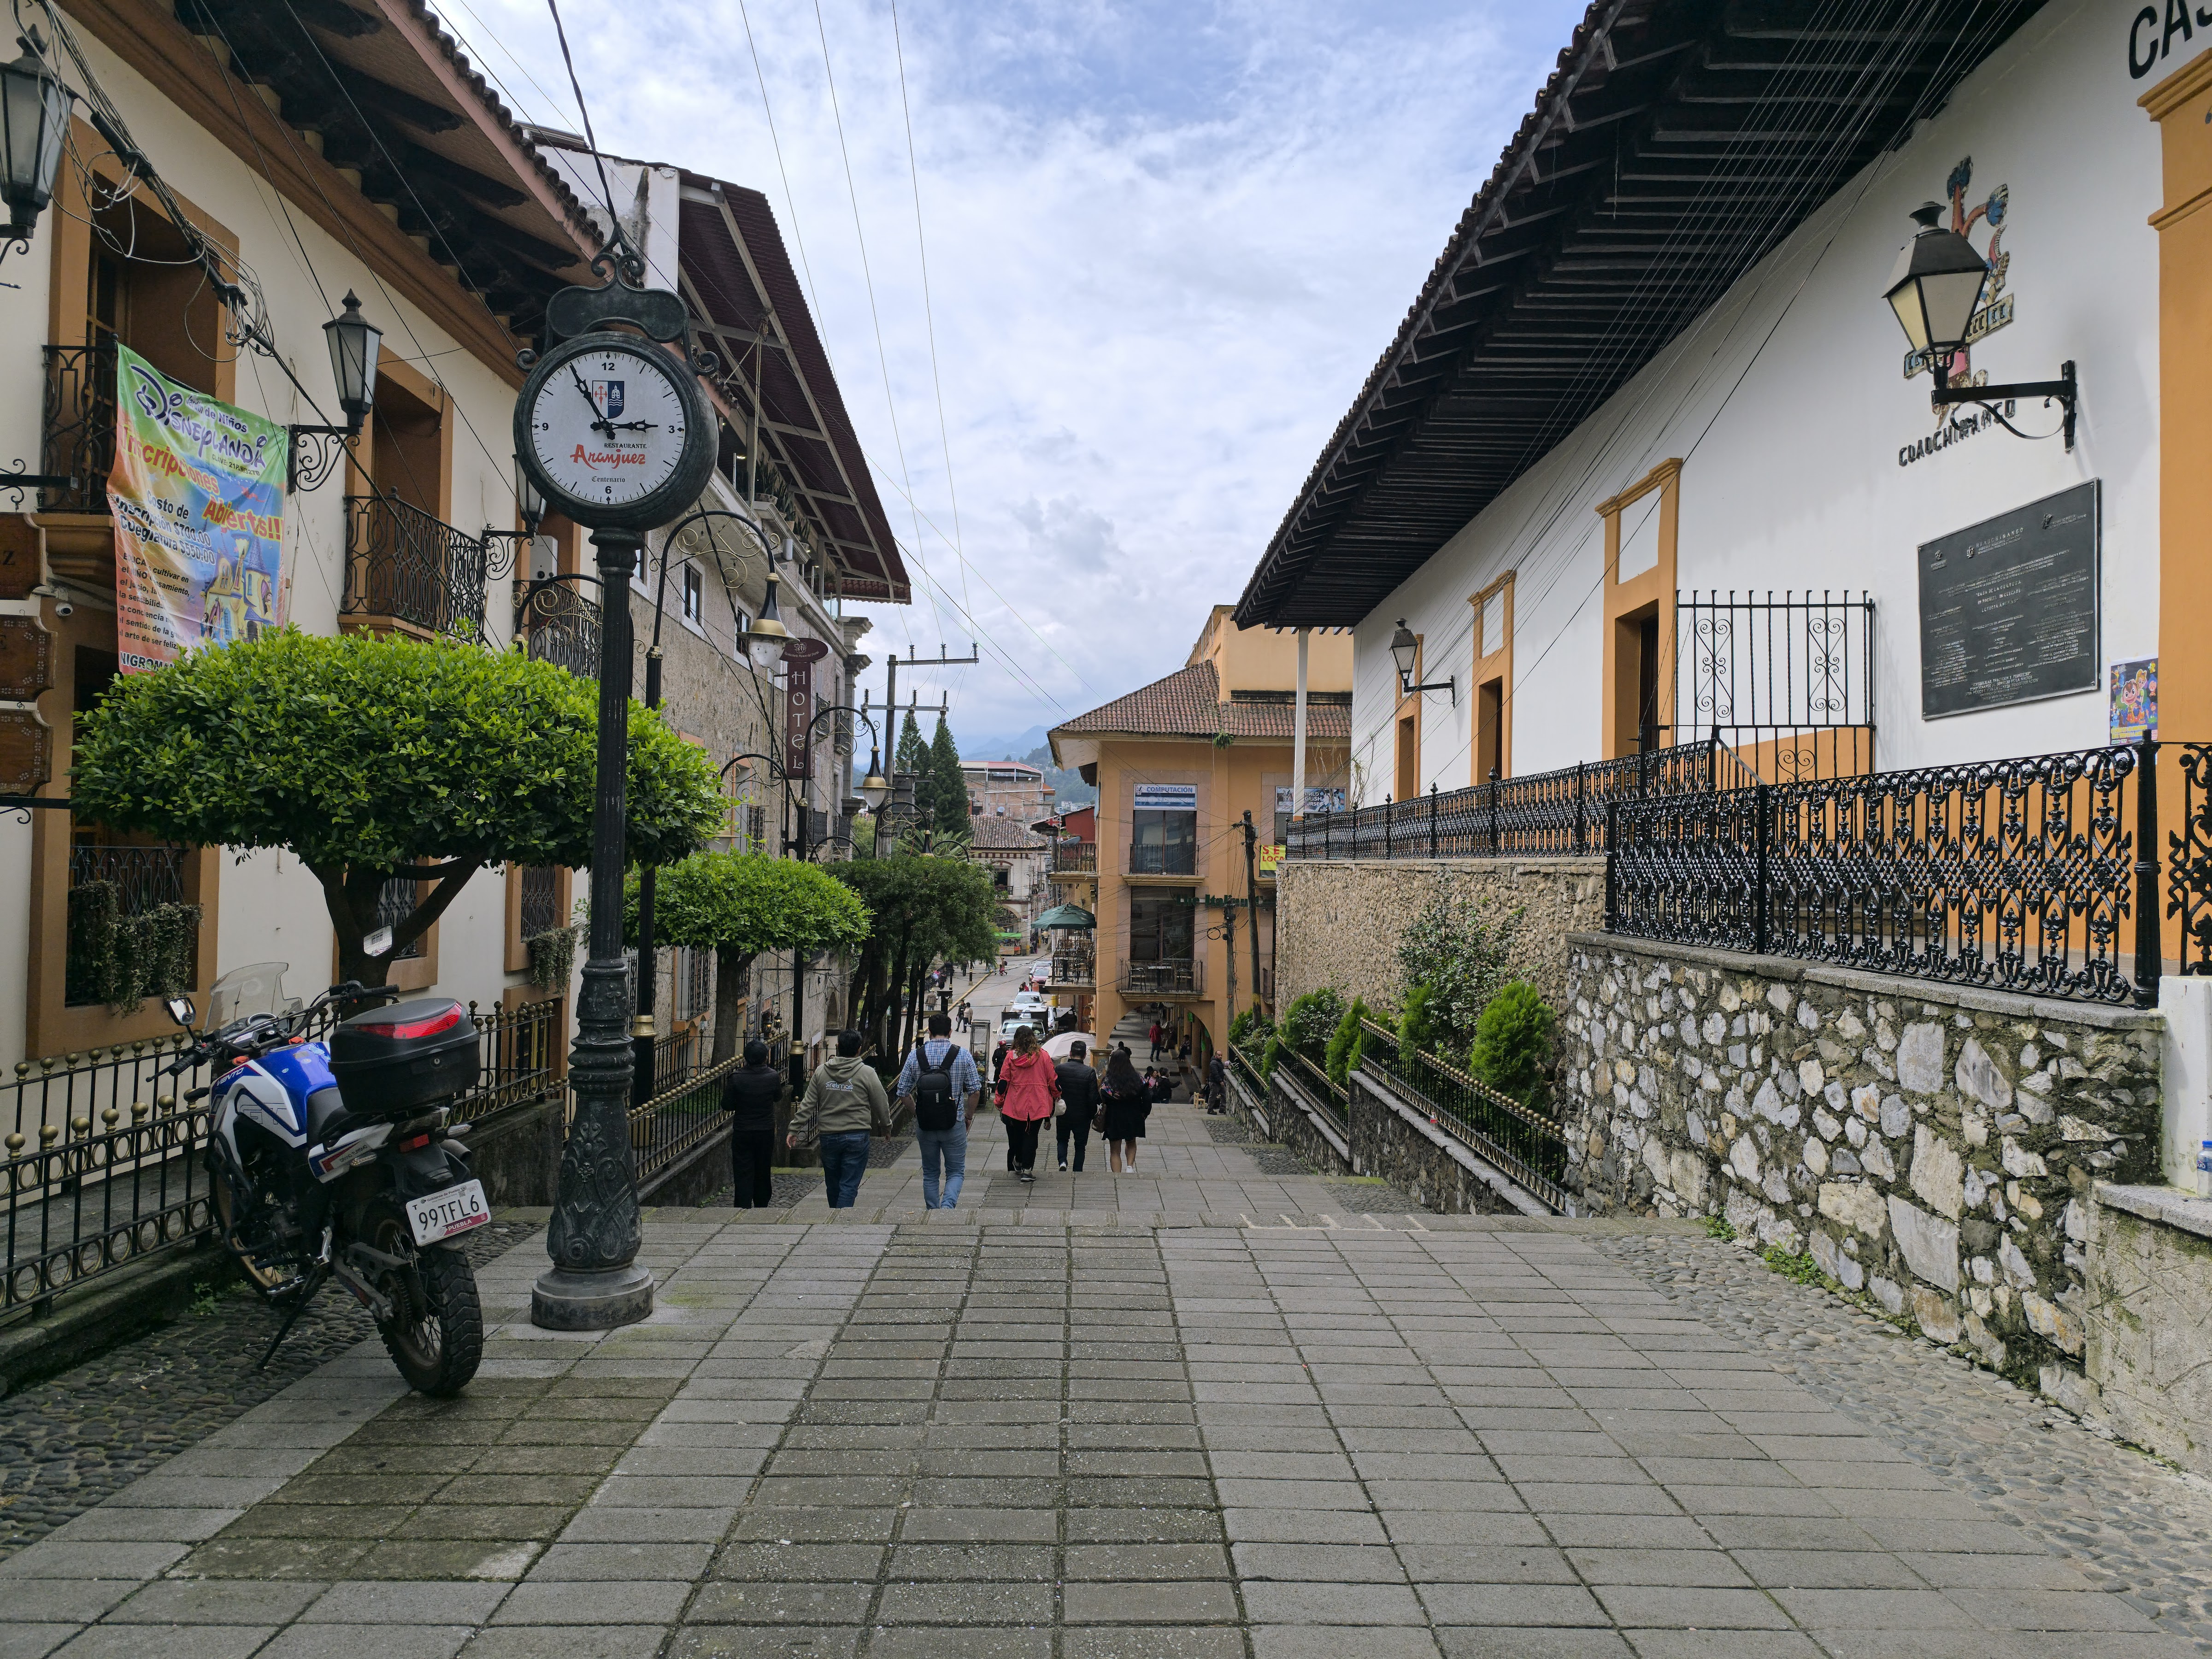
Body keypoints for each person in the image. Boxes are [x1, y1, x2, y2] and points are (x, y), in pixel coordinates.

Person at [787, 1029, 893, 1208]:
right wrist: (886, 1126)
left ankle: (834, 1214)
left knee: (833, 1182)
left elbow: (808, 1104)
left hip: (829, 1136)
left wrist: (794, 1129)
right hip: (857, 1135)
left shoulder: (821, 1072)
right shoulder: (867, 1073)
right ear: (859, 1049)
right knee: (849, 1184)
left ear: (837, 1047)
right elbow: (881, 1102)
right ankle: (840, 1220)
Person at [897, 1012, 981, 1210]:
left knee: (930, 1172)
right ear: (951, 1032)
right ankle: (947, 1207)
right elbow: (975, 1091)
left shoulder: (915, 1056)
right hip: (955, 1122)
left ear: (929, 1033)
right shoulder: (962, 1055)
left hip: (926, 1125)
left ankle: (933, 1210)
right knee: (956, 1171)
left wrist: (919, 1113)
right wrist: (968, 1116)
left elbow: (902, 1092)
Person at [719, 1038, 783, 1208]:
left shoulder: (737, 1078)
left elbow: (726, 1105)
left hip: (743, 1129)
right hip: (765, 1129)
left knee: (743, 1169)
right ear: (765, 1058)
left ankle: (743, 1203)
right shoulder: (773, 1076)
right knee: (763, 1168)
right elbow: (778, 1097)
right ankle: (762, 1202)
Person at [997, 1024, 1059, 1183]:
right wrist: (1056, 1095)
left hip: (1016, 1103)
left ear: (1016, 1040)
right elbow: (1052, 1079)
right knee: (1032, 1136)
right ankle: (1027, 1170)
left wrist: (999, 1101)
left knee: (1018, 1135)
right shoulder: (1043, 1056)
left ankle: (1018, 1161)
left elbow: (1003, 1081)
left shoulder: (1010, 1057)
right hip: (1038, 1103)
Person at [1099, 1047, 1150, 1174]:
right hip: (1134, 1115)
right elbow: (1148, 1098)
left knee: (1115, 1150)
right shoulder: (1138, 1079)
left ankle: (1117, 1175)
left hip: (1114, 1118)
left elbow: (1101, 1097)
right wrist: (1144, 1113)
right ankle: (1130, 1167)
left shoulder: (1108, 1081)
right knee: (1131, 1142)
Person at [1054, 1040, 1100, 1172]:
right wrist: (1092, 1115)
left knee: (1062, 1139)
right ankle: (1077, 1169)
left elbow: (1055, 1090)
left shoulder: (1060, 1070)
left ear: (1070, 1053)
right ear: (1085, 1055)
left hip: (1064, 1113)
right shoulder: (1090, 1072)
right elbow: (1093, 1097)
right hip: (1082, 1115)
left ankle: (1062, 1161)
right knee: (1080, 1145)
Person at [1206, 1051, 1229, 1115]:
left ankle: (1222, 1109)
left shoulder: (1219, 1062)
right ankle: (1210, 1109)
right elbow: (1215, 1073)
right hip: (1214, 1082)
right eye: (1219, 1055)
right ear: (1216, 1056)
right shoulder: (1214, 1063)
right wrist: (1221, 1081)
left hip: (1219, 1082)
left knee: (1224, 1094)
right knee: (1213, 1096)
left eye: (1221, 1055)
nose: (1220, 1056)